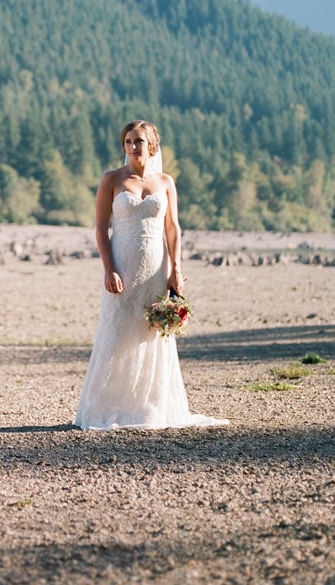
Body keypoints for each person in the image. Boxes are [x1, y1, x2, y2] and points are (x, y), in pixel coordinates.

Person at [74, 120, 228, 430]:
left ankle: (148, 408)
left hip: (157, 268)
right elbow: (101, 228)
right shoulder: (112, 180)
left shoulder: (166, 182)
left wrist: (177, 271)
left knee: (152, 333)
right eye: (128, 141)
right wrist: (108, 268)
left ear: (151, 146)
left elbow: (173, 228)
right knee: (117, 332)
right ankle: (106, 408)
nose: (133, 147)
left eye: (139, 141)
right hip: (123, 264)